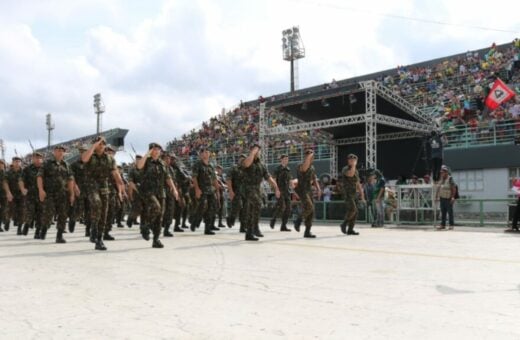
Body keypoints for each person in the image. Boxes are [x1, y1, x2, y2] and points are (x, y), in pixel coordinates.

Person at [82, 137, 125, 250]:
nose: (101, 145)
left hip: (104, 186)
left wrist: (120, 183)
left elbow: (115, 172)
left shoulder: (109, 159)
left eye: (103, 143)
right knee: (96, 203)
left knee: (104, 213)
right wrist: (94, 146)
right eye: (99, 143)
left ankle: (99, 239)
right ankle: (93, 228)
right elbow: (84, 159)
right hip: (91, 184)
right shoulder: (90, 154)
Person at [136, 143, 179, 248]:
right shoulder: (146, 161)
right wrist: (147, 154)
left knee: (159, 217)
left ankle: (156, 239)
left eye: (158, 149)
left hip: (160, 192)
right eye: (154, 149)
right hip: (148, 191)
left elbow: (168, 177)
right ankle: (145, 226)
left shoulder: (162, 163)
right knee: (157, 208)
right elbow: (139, 166)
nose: (156, 151)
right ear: (151, 150)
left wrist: (174, 189)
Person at [241, 144, 280, 241]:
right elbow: (246, 164)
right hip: (248, 188)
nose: (258, 151)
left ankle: (250, 232)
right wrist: (252, 153)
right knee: (257, 204)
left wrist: (276, 187)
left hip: (257, 189)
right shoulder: (246, 160)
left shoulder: (261, 164)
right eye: (256, 149)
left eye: (258, 150)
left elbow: (268, 177)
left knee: (253, 210)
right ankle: (254, 228)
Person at [37, 145, 75, 243]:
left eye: (62, 150)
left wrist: (71, 194)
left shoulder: (66, 165)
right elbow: (40, 177)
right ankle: (44, 229)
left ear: (64, 153)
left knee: (63, 214)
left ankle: (59, 235)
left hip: (62, 194)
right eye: (58, 150)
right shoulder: (47, 164)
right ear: (54, 152)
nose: (60, 152)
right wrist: (41, 190)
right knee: (48, 214)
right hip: (49, 193)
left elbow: (70, 180)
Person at [191, 147, 220, 235]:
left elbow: (214, 179)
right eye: (203, 152)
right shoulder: (197, 164)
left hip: (211, 190)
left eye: (207, 152)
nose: (206, 154)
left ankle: (207, 228)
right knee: (202, 206)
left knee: (211, 208)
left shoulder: (211, 165)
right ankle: (195, 221)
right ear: (200, 155)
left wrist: (217, 189)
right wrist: (197, 189)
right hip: (201, 189)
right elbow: (194, 177)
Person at [294, 149, 321, 238]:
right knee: (309, 207)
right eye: (308, 154)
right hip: (302, 189)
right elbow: (305, 167)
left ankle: (307, 231)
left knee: (311, 211)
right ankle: (298, 220)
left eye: (312, 155)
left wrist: (318, 189)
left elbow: (314, 179)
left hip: (308, 190)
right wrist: (309, 156)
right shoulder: (300, 165)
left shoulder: (312, 167)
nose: (311, 156)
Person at [339, 154, 365, 235]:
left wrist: (362, 194)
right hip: (347, 193)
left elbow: (358, 183)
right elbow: (350, 174)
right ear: (348, 161)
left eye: (354, 160)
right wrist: (353, 165)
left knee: (355, 212)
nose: (352, 161)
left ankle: (350, 229)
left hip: (355, 193)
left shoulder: (356, 171)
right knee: (353, 209)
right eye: (350, 160)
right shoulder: (345, 169)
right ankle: (344, 224)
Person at [22, 152, 44, 237]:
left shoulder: (45, 169)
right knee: (30, 212)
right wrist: (23, 188)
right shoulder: (27, 169)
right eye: (36, 158)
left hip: (41, 195)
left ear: (42, 159)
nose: (38, 159)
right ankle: (27, 225)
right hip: (30, 195)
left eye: (39, 158)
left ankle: (37, 232)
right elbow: (21, 179)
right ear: (33, 159)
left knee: (40, 213)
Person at [69, 145, 89, 236]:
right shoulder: (74, 164)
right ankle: (73, 220)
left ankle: (88, 230)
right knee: (79, 210)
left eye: (85, 151)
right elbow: (71, 177)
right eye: (82, 152)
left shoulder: (91, 163)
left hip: (90, 190)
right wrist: (75, 186)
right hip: (79, 190)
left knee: (90, 211)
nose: (83, 153)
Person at [270, 154, 293, 232]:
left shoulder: (288, 169)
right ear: (281, 160)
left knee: (288, 208)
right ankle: (273, 219)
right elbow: (273, 179)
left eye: (287, 159)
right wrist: (276, 190)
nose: (286, 160)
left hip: (287, 191)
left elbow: (290, 180)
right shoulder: (277, 169)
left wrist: (294, 188)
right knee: (281, 207)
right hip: (279, 190)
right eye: (285, 159)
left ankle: (283, 226)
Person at [6, 156, 27, 235]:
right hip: (11, 194)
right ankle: (7, 220)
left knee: (22, 211)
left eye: (18, 161)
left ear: (20, 162)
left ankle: (19, 228)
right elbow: (5, 183)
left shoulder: (24, 172)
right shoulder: (8, 172)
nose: (17, 163)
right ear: (12, 162)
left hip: (22, 195)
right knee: (11, 210)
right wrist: (8, 192)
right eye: (15, 161)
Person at [226, 154, 246, 232]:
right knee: (237, 206)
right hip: (236, 191)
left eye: (244, 160)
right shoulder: (234, 168)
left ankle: (243, 227)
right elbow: (228, 179)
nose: (242, 161)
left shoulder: (247, 169)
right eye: (241, 159)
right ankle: (231, 218)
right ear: (238, 160)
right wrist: (230, 190)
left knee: (244, 209)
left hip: (245, 192)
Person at [435, 165, 456, 230]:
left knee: (450, 212)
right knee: (443, 212)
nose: (441, 174)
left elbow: (453, 188)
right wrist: (436, 196)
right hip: (442, 198)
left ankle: (451, 225)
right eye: (441, 172)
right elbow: (438, 188)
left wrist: (453, 197)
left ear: (446, 172)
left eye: (443, 172)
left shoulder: (450, 179)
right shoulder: (441, 179)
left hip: (448, 198)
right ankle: (443, 225)